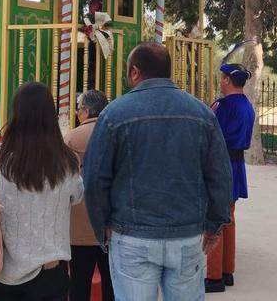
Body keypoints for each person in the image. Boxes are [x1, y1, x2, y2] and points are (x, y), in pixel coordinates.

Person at [83, 42, 233, 301]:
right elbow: (220, 175)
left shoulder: (114, 114)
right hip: (187, 237)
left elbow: (95, 178)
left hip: (132, 237)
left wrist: (102, 227)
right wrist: (214, 225)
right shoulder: (202, 114)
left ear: (134, 72)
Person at [0, 82, 83, 301]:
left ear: (16, 114)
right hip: (49, 272)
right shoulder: (67, 161)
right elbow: (77, 196)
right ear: (50, 116)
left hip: (0, 268)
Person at [205, 63, 256, 293]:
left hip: (222, 164)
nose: (220, 81)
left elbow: (212, 134)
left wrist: (211, 113)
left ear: (227, 80)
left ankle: (214, 276)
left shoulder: (224, 106)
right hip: (236, 164)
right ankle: (227, 271)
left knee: (216, 218)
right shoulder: (247, 105)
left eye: (222, 77)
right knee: (229, 218)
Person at [65, 90, 114, 301]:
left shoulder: (70, 139)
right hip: (110, 227)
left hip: (78, 229)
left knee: (79, 285)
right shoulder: (116, 135)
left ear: (85, 110)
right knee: (111, 285)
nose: (77, 113)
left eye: (78, 109)